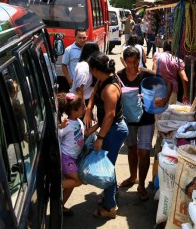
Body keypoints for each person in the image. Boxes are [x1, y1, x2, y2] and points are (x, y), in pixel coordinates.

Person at [117, 46, 171, 201]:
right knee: (132, 149)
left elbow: (168, 82)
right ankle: (132, 177)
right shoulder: (119, 76)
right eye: (129, 62)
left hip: (146, 119)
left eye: (135, 62)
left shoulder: (146, 74)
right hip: (129, 120)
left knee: (145, 152)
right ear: (124, 61)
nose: (133, 66)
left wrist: (164, 100)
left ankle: (141, 185)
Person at [84, 52, 128, 219]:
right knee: (108, 166)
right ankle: (112, 194)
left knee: (106, 169)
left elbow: (109, 115)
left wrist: (100, 138)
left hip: (114, 130)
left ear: (95, 69)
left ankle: (110, 207)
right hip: (110, 129)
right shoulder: (104, 79)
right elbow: (94, 92)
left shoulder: (110, 88)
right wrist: (89, 109)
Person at [57, 92, 98, 216]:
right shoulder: (67, 124)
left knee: (71, 184)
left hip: (72, 159)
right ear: (74, 111)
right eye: (82, 108)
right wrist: (60, 126)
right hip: (66, 158)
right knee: (78, 181)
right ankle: (53, 187)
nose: (85, 109)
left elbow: (86, 133)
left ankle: (61, 206)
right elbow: (57, 135)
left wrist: (100, 124)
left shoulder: (78, 121)